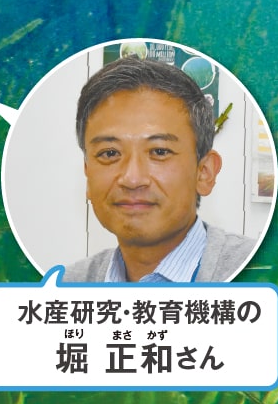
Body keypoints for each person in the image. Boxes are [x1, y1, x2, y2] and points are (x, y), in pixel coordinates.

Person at [63, 57, 256, 283]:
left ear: (204, 172)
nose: (132, 179)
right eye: (110, 153)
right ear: (88, 175)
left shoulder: (270, 275)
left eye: (160, 152)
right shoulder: (66, 287)